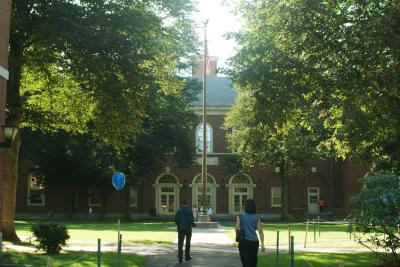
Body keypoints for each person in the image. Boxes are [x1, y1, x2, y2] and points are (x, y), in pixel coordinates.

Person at [236, 198, 265, 267]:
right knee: (253, 261)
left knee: (245, 262)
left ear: (245, 206)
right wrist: (263, 244)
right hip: (254, 242)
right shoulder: (257, 217)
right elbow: (260, 231)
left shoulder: (240, 216)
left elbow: (237, 228)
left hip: (243, 242)